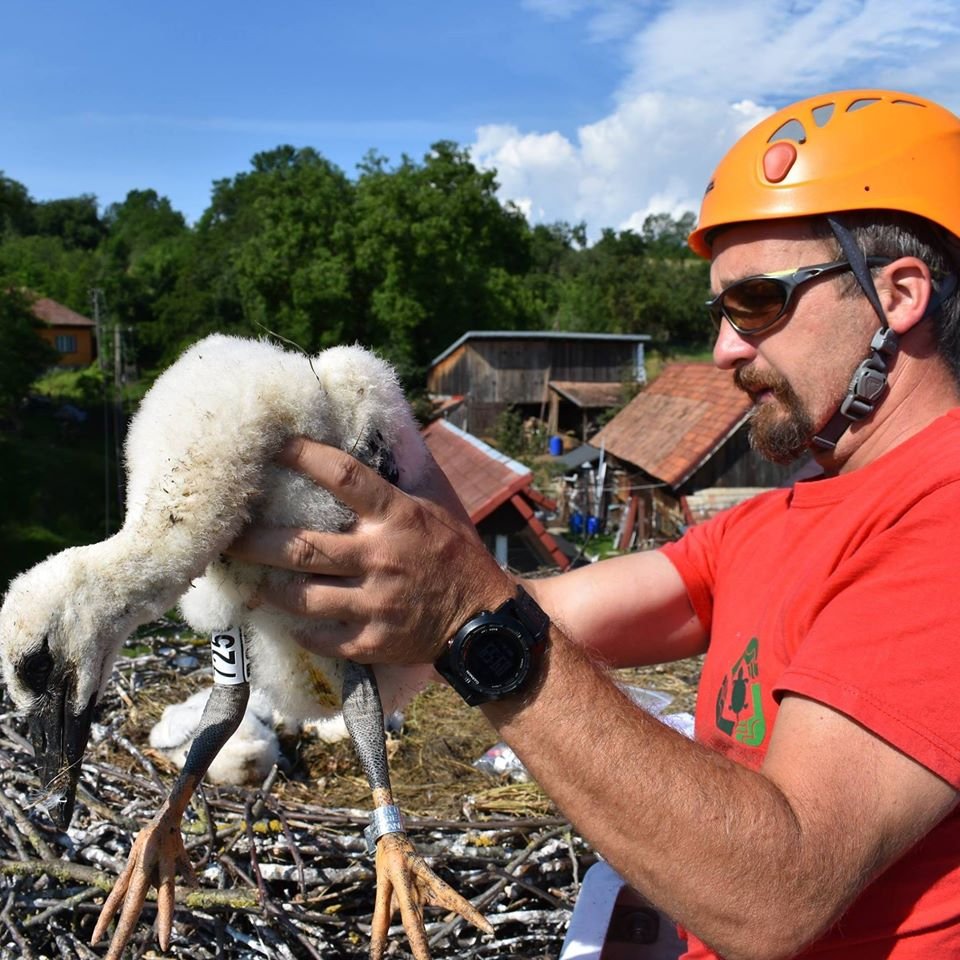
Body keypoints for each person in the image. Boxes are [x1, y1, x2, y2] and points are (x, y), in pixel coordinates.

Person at [229, 89, 960, 959]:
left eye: (757, 302)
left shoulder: (943, 517)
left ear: (899, 295)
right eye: (720, 314)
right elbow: (537, 606)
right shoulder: (771, 524)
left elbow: (776, 892)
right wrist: (371, 520)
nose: (726, 350)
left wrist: (470, 619)